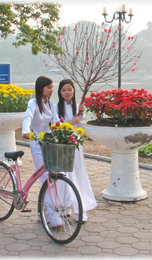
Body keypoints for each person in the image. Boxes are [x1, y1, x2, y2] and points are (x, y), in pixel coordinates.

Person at [22, 76, 63, 227]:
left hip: (49, 141)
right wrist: (25, 131)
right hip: (36, 141)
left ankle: (42, 212)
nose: (51, 90)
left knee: (52, 176)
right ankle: (51, 216)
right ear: (41, 88)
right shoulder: (33, 103)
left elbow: (56, 121)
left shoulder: (51, 104)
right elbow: (28, 117)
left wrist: (64, 131)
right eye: (48, 87)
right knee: (45, 177)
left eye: (52, 87)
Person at [55, 79, 97, 224]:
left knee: (77, 176)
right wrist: (70, 123)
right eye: (64, 90)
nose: (67, 93)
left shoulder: (77, 108)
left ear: (74, 91)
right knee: (64, 177)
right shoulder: (56, 108)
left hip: (75, 145)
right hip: (62, 145)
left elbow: (80, 128)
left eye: (70, 89)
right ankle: (65, 207)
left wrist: (81, 114)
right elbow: (55, 128)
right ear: (60, 92)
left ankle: (79, 209)